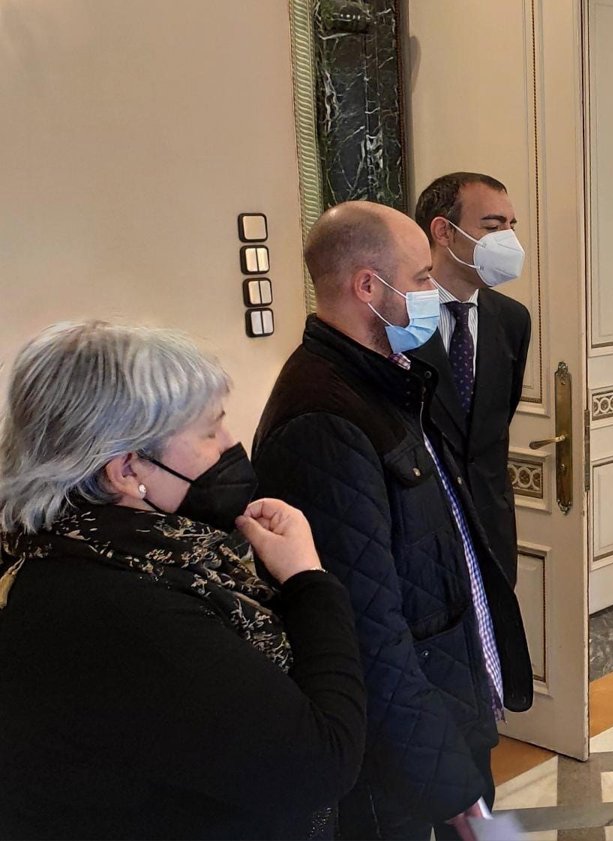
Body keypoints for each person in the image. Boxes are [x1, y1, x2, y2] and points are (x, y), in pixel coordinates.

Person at [0, 321, 365, 839]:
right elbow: (320, 764)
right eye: (210, 430)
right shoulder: (118, 607)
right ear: (127, 470)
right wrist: (309, 580)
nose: (231, 444)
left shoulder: (90, 553)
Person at [252, 200, 533, 840]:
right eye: (422, 278)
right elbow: (366, 629)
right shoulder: (323, 420)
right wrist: (447, 781)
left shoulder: (388, 380)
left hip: (443, 712)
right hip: (398, 760)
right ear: (367, 287)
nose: (433, 293)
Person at [411, 172, 531, 587]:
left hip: (491, 526)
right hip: (422, 529)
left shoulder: (513, 320)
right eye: (493, 227)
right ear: (444, 231)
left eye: (511, 226)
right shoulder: (398, 318)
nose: (508, 240)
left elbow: (494, 423)